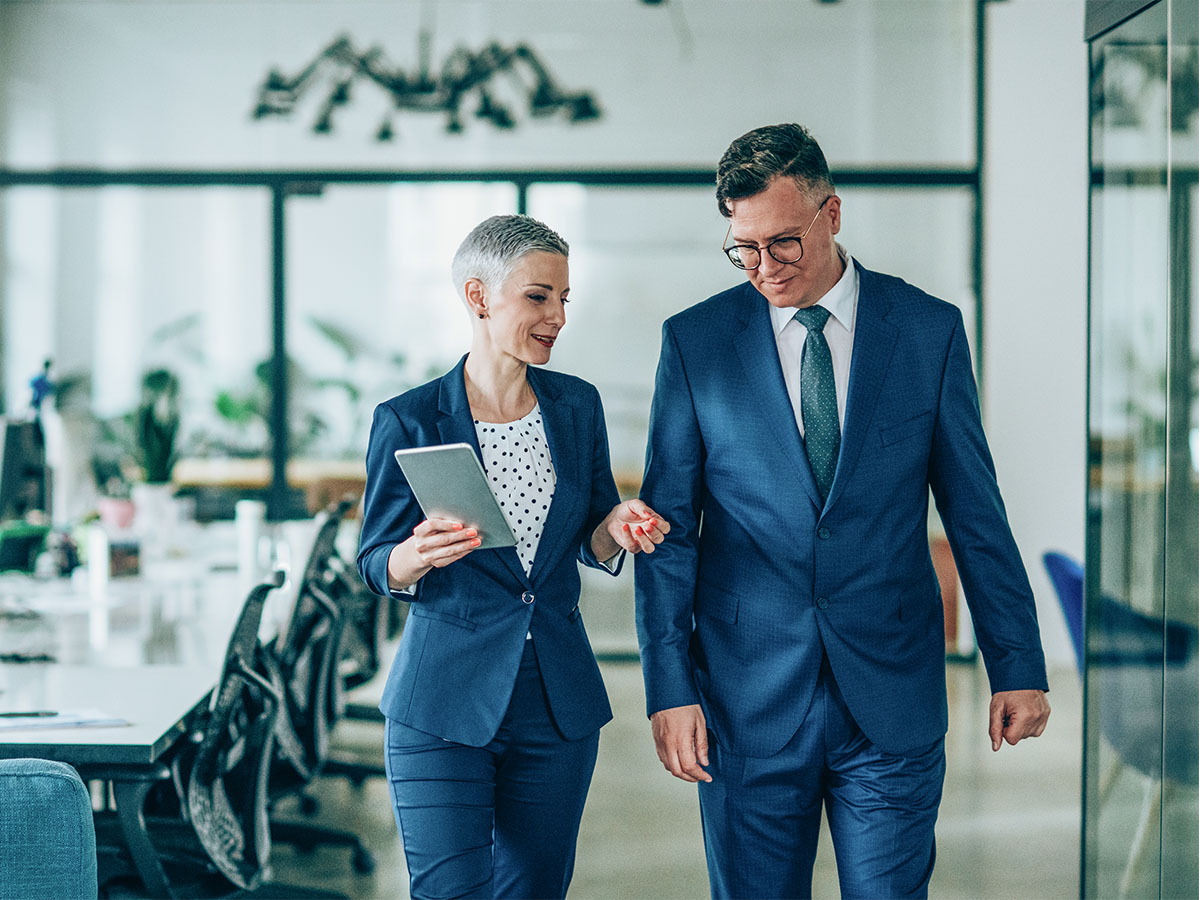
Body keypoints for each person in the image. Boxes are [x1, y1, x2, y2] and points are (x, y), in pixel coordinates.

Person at [635, 123, 1050, 900]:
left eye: (783, 243)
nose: (764, 267)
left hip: (891, 692)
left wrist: (1017, 663)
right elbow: (669, 534)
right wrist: (669, 686)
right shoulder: (696, 343)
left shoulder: (927, 330)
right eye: (744, 248)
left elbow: (974, 510)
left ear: (831, 214)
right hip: (743, 696)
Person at [358, 214, 668, 900]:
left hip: (556, 703)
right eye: (538, 296)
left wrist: (618, 525)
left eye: (564, 299)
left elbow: (589, 533)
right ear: (478, 297)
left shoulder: (576, 407)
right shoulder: (408, 418)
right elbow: (374, 558)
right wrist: (412, 557)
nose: (557, 315)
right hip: (442, 701)